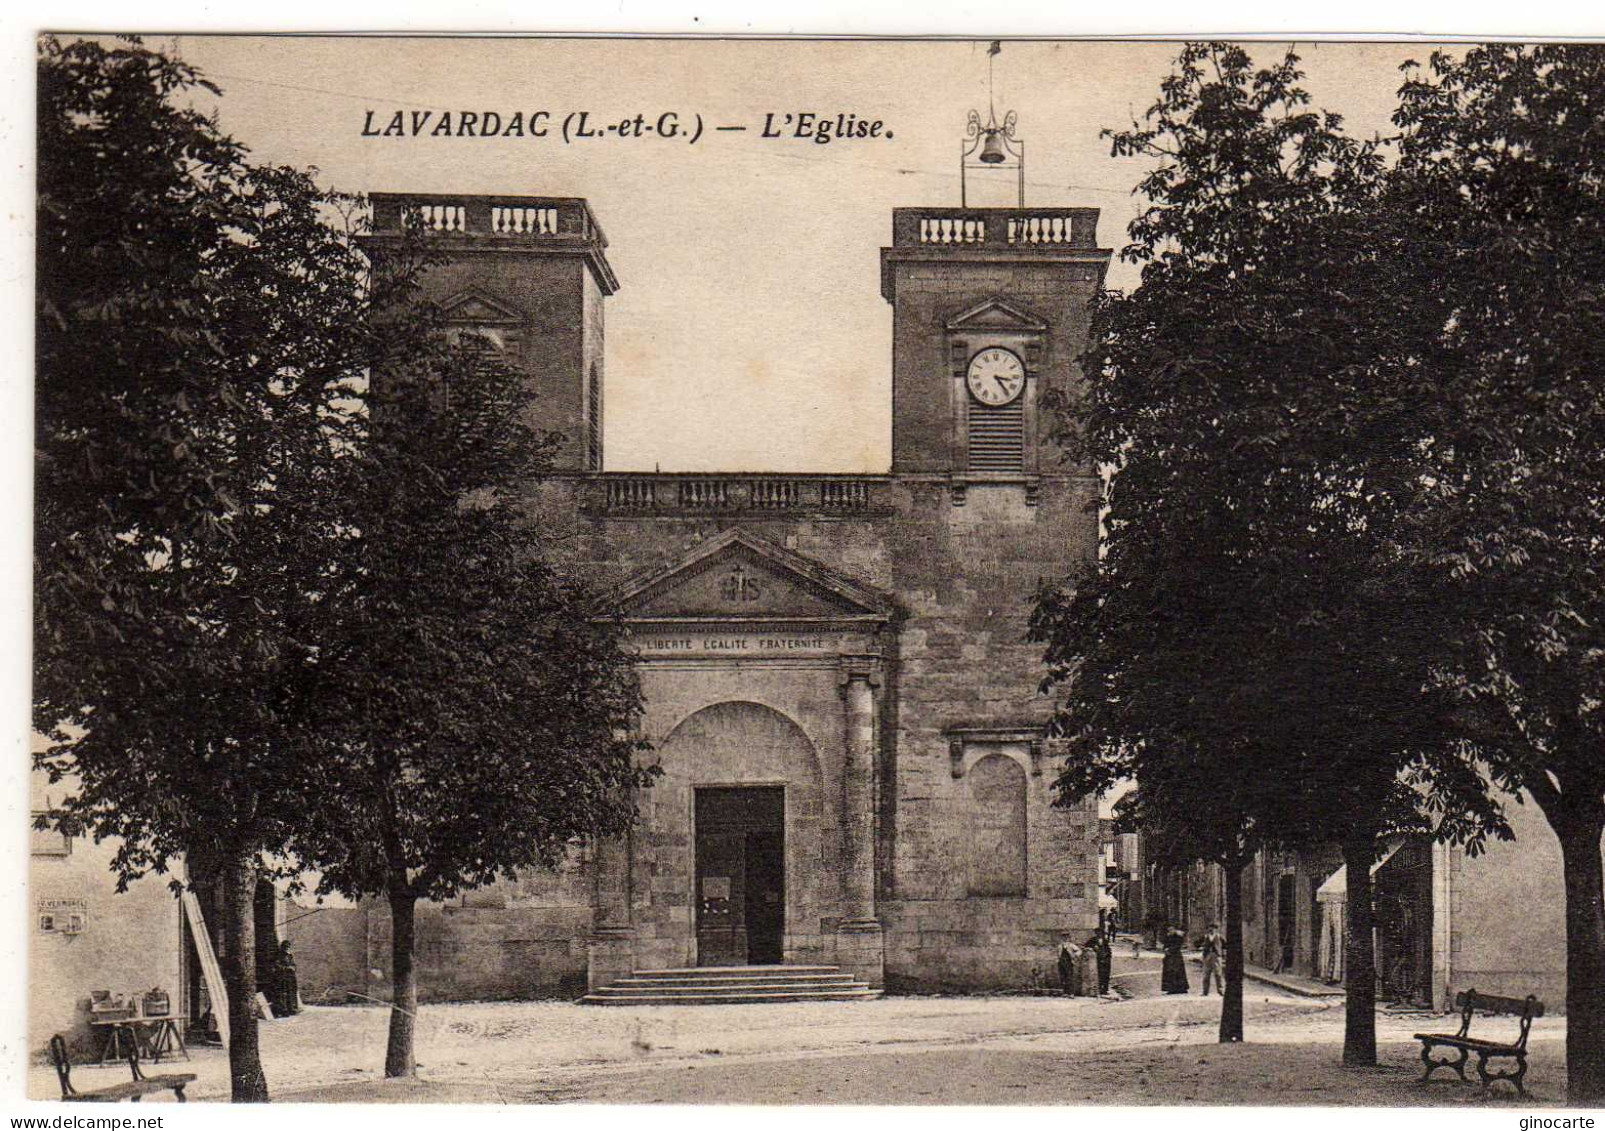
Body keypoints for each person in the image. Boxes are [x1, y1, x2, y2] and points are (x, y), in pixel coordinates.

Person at [1161, 926, 1190, 994]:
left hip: (1176, 957)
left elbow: (1178, 945)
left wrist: (1170, 949)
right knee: (1169, 972)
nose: (1170, 931)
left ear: (1175, 930)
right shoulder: (1168, 937)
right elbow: (1164, 945)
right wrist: (1165, 949)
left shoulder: (1178, 937)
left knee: (1178, 972)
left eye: (1172, 929)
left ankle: (1181, 988)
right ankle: (1171, 988)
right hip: (1169, 957)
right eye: (1169, 930)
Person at [1200, 921, 1225, 996]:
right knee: (1206, 975)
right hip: (1207, 956)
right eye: (1210, 928)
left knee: (1218, 974)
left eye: (1214, 928)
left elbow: (1226, 945)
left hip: (1216, 957)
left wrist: (1221, 952)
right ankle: (1205, 991)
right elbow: (1196, 943)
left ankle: (1220, 990)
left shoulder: (1219, 937)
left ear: (1216, 929)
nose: (1212, 930)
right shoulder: (1205, 937)